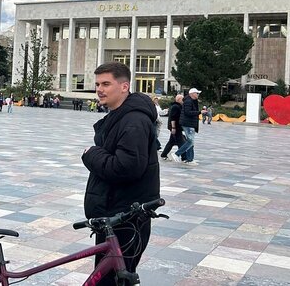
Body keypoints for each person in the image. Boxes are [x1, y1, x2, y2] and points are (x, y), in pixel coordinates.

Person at [81, 62, 160, 285]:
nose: (99, 89)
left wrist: (91, 154)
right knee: (110, 279)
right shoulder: (121, 116)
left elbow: (126, 167)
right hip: (115, 214)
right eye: (97, 84)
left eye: (106, 84)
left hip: (126, 217)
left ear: (124, 86)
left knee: (112, 280)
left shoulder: (133, 120)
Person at [173, 88, 204, 165]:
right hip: (188, 124)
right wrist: (200, 112)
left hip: (190, 124)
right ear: (192, 94)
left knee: (191, 141)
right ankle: (177, 154)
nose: (198, 95)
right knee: (190, 141)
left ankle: (190, 159)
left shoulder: (192, 101)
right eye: (197, 93)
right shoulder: (188, 101)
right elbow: (188, 112)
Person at [160, 94, 184, 160]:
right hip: (176, 127)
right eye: (182, 99)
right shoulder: (175, 107)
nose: (183, 101)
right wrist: (173, 127)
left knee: (171, 142)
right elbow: (173, 118)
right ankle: (184, 157)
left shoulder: (177, 106)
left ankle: (164, 154)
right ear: (179, 99)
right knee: (181, 142)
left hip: (177, 127)